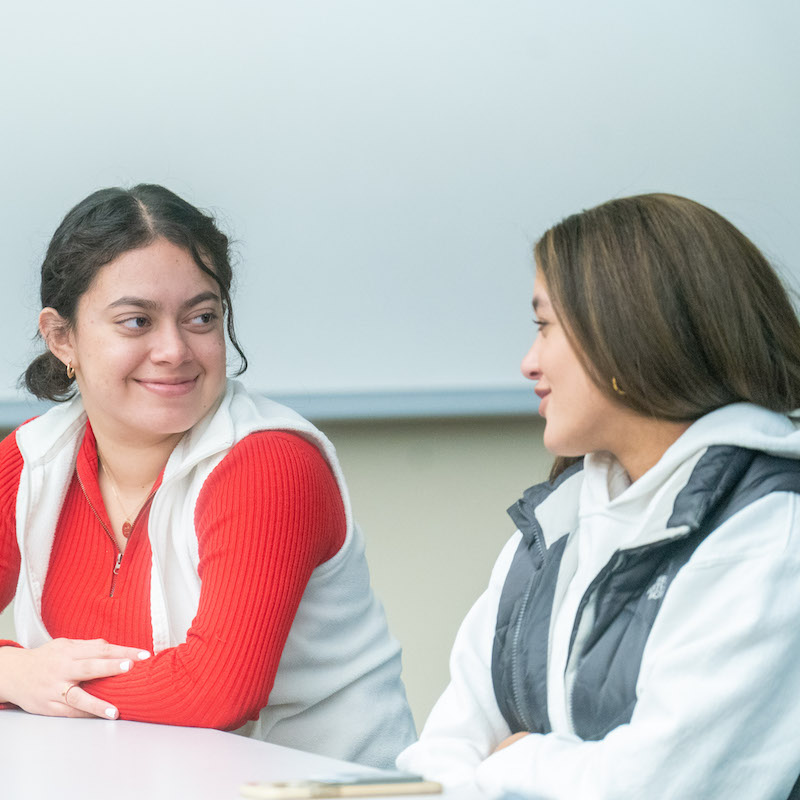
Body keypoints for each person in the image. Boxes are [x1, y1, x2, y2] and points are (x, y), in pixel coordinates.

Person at [397, 193, 800, 798]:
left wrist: (516, 761)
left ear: (627, 332)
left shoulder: (769, 533)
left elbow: (659, 787)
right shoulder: (556, 521)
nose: (528, 363)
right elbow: (443, 750)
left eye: (544, 326)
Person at [0, 184, 415, 769]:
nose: (174, 349)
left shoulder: (269, 463)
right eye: (137, 321)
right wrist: (12, 670)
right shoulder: (35, 459)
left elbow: (216, 690)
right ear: (61, 336)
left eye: (201, 317)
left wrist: (36, 682)